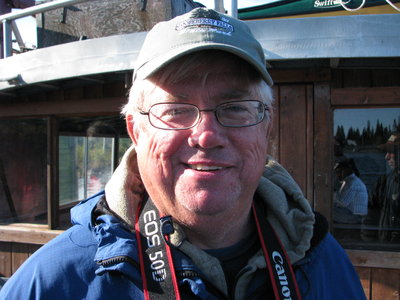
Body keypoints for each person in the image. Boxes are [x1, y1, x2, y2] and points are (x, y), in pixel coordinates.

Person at [0, 8, 366, 299]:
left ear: (266, 128)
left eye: (235, 107)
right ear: (136, 132)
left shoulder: (322, 257)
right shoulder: (54, 283)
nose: (207, 136)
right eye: (175, 110)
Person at [364, 133, 400, 242]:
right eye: (386, 152)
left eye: (391, 152)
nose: (386, 157)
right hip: (384, 248)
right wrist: (369, 242)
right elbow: (370, 214)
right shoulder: (383, 182)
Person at [333, 159, 368, 224]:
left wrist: (332, 194)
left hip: (356, 217)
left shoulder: (352, 182)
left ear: (345, 171)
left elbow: (342, 203)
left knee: (327, 209)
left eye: (338, 172)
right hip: (351, 214)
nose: (337, 175)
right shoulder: (348, 181)